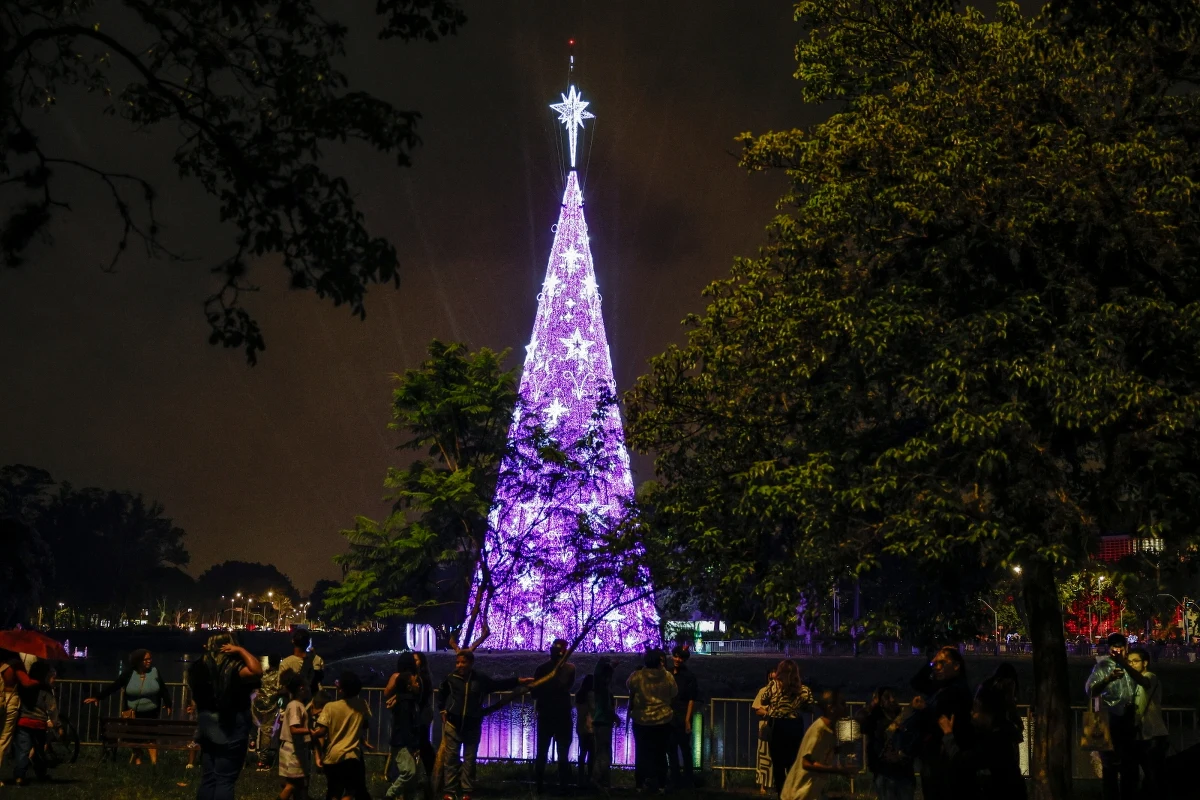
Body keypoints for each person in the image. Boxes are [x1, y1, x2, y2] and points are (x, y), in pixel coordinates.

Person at [437, 649, 531, 800]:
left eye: (463, 662)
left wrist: (518, 681)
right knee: (451, 759)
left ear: (471, 663)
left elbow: (498, 685)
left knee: (469, 759)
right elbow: (442, 694)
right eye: (457, 662)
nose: (459, 665)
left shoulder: (480, 679)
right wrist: (442, 710)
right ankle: (450, 791)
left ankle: (466, 790)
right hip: (453, 725)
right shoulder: (451, 678)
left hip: (472, 725)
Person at [187, 632, 264, 800]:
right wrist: (241, 650)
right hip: (232, 723)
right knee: (225, 778)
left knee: (208, 777)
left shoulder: (198, 666)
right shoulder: (235, 667)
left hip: (207, 722)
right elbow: (256, 671)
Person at [938, 681, 1026, 800]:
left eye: (975, 710)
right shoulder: (1002, 732)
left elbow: (961, 761)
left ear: (987, 713)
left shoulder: (996, 740)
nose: (972, 714)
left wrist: (948, 734)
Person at [84, 648, 173, 765]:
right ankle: (138, 761)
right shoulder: (129, 673)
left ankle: (154, 764)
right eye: (146, 659)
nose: (149, 661)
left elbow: (163, 689)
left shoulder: (154, 671)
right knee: (134, 737)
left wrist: (168, 704)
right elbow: (115, 686)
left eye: (150, 659)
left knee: (151, 738)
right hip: (133, 712)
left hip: (151, 712)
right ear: (138, 661)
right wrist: (98, 697)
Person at [909, 646, 974, 800]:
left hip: (945, 763)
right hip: (936, 761)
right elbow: (916, 682)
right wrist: (931, 662)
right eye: (935, 664)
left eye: (942, 663)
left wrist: (924, 710)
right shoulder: (941, 687)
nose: (937, 667)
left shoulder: (957, 691)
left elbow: (942, 722)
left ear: (956, 666)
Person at [1086, 633, 1138, 800]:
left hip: (1129, 720)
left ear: (1126, 648)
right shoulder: (1103, 666)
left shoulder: (1130, 665)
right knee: (1110, 766)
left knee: (1129, 765)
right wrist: (1108, 679)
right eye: (1114, 648)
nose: (1118, 652)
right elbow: (1090, 690)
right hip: (1109, 719)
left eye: (1120, 648)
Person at [779, 688, 855, 800]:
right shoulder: (819, 729)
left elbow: (822, 751)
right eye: (842, 704)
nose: (846, 707)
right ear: (831, 709)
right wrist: (837, 770)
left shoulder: (830, 729)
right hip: (797, 793)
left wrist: (840, 749)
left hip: (809, 793)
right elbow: (806, 763)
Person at [313, 671, 372, 800]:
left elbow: (322, 731)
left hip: (332, 757)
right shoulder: (362, 705)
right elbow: (365, 725)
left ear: (341, 690)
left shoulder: (330, 707)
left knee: (334, 792)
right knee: (350, 792)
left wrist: (311, 733)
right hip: (351, 756)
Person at [626, 649, 676, 793]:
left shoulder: (638, 676)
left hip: (642, 720)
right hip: (663, 721)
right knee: (661, 753)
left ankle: (639, 784)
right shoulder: (667, 676)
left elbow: (628, 685)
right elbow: (674, 692)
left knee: (641, 752)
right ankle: (661, 785)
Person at [763, 659, 814, 794]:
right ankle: (793, 792)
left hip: (777, 725)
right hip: (794, 726)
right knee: (793, 762)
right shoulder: (803, 690)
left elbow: (763, 699)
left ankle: (782, 794)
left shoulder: (774, 685)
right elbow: (810, 707)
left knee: (778, 764)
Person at [533, 638, 576, 794]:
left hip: (546, 714)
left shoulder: (542, 669)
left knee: (542, 751)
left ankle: (539, 785)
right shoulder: (570, 669)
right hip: (562, 714)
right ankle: (563, 785)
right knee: (562, 752)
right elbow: (567, 687)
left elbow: (534, 692)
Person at [856, 686, 916, 800]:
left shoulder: (903, 717)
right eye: (887, 697)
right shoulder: (874, 719)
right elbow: (861, 718)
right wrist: (873, 705)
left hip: (904, 772)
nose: (892, 700)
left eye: (894, 696)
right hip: (885, 772)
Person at [1126, 647, 1168, 795]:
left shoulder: (1150, 677)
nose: (1132, 664)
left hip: (1153, 735)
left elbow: (1145, 682)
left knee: (1154, 776)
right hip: (1140, 735)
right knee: (1143, 777)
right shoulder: (1132, 682)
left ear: (1145, 663)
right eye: (1129, 662)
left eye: (1135, 661)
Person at [11, 662, 57, 787]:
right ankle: (41, 774)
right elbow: (52, 708)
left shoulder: (24, 686)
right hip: (39, 723)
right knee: (39, 751)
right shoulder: (45, 689)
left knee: (23, 750)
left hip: (23, 721)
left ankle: (19, 776)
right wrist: (55, 722)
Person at [0, 648, 38, 786]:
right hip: (9, 700)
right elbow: (26, 682)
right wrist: (40, 682)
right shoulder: (15, 663)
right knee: (3, 739)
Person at [667, 644, 699, 789]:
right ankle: (674, 778)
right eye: (675, 656)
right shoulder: (668, 673)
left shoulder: (689, 676)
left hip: (682, 715)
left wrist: (687, 720)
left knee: (685, 748)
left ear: (685, 660)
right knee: (671, 749)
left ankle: (688, 779)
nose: (677, 659)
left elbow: (691, 699)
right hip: (669, 716)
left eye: (680, 658)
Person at [278, 673, 312, 800]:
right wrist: (310, 731)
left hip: (294, 749)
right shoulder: (295, 706)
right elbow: (294, 729)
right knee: (293, 784)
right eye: (307, 686)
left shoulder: (297, 704)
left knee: (300, 784)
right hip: (294, 750)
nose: (309, 689)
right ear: (301, 688)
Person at [591, 657, 618, 789]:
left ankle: (600, 780)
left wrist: (611, 666)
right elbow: (607, 708)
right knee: (604, 753)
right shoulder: (604, 691)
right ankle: (599, 780)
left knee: (601, 751)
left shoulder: (598, 687)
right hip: (603, 723)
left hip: (598, 722)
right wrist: (616, 718)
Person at [279, 629, 324, 698]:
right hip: (311, 699)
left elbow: (281, 687)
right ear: (308, 643)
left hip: (292, 700)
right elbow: (320, 679)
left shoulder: (286, 663)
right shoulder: (317, 660)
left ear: (293, 641)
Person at [751, 670, 776, 794]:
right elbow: (757, 709)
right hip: (765, 728)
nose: (773, 681)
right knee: (764, 756)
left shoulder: (783, 693)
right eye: (771, 679)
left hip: (779, 728)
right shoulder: (763, 691)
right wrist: (768, 714)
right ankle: (763, 785)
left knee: (778, 756)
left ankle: (777, 784)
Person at [575, 671, 596, 788]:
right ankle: (590, 777)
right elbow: (593, 709)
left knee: (582, 751)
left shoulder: (579, 695)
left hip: (580, 727)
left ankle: (580, 776)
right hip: (590, 726)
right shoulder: (591, 695)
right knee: (592, 753)